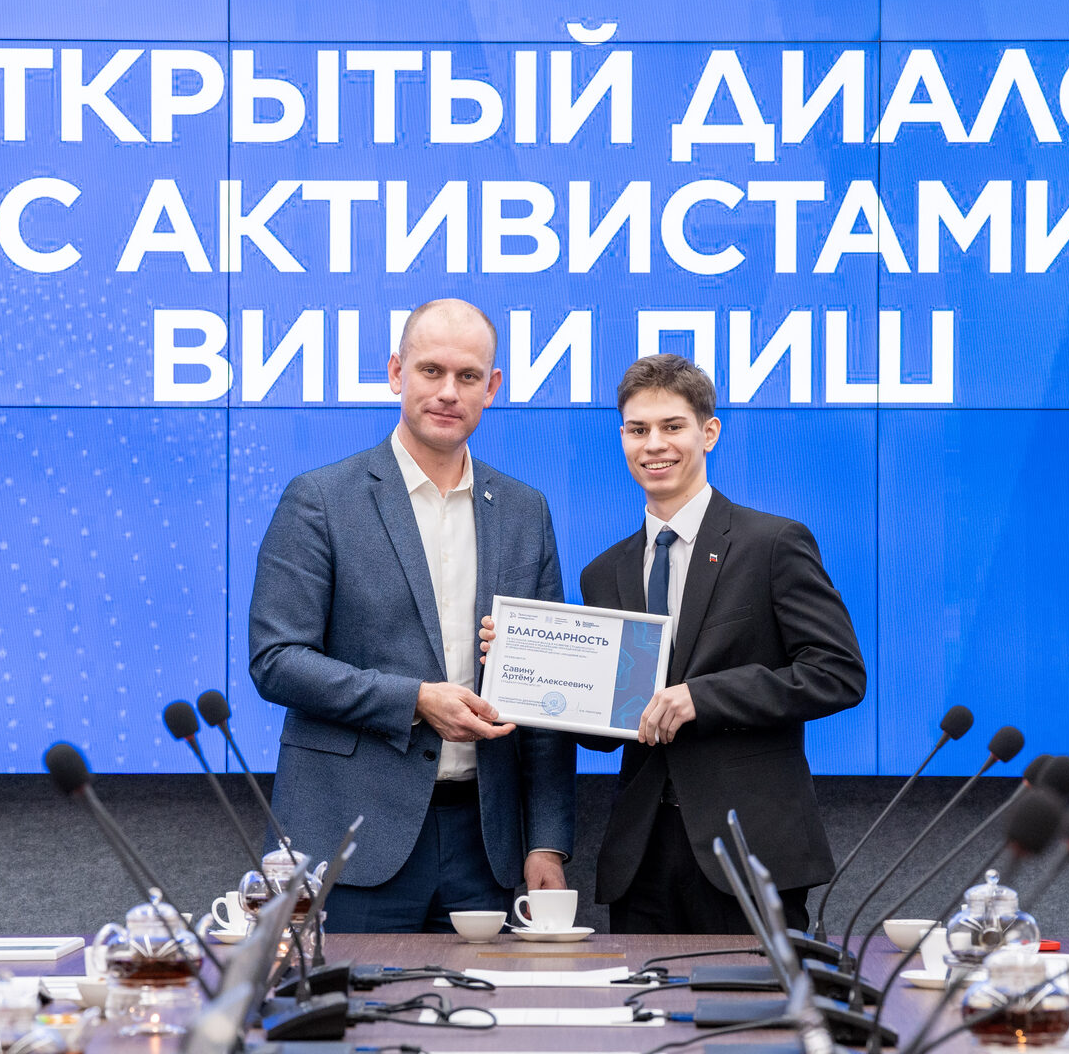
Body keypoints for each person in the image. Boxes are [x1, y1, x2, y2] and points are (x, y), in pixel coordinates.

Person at [488, 353, 865, 932]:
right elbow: (604, 731)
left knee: (751, 995)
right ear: (622, 438)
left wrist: (702, 698)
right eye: (638, 429)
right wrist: (523, 666)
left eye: (672, 426)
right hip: (640, 859)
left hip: (749, 849)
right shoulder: (603, 572)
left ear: (708, 433)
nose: (654, 445)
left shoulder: (772, 544)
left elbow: (837, 673)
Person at [248, 298, 574, 932]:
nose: (449, 392)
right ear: (397, 372)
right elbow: (277, 660)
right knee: (348, 1000)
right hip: (350, 839)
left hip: (487, 846)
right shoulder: (320, 500)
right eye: (431, 371)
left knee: (486, 1003)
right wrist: (415, 700)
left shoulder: (525, 511)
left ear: (492, 388)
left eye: (468, 376)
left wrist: (547, 842)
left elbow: (547, 694)